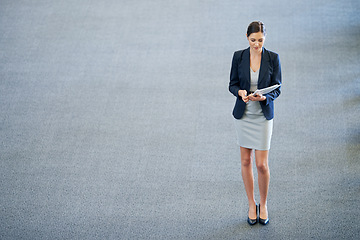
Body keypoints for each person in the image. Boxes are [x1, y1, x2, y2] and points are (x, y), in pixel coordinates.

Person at [228, 21, 282, 225]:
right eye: (253, 40)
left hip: (262, 114)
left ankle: (264, 203)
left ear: (265, 38)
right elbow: (232, 84)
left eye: (260, 40)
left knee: (261, 164)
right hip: (244, 114)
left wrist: (264, 98)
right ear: (246, 37)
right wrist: (240, 92)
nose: (257, 44)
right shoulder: (238, 56)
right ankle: (251, 203)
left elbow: (277, 88)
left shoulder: (273, 58)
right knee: (245, 161)